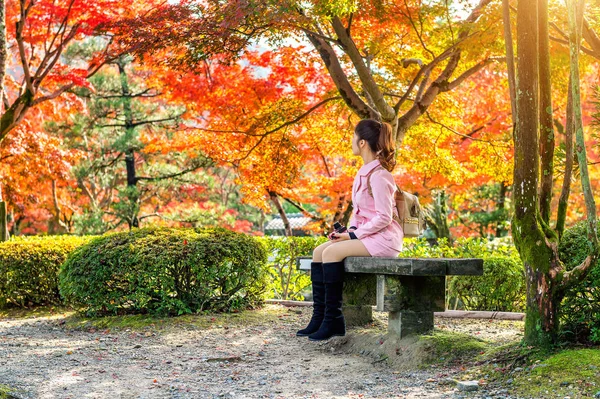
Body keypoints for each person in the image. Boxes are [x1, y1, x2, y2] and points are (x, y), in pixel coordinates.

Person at [297, 119, 404, 341]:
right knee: (319, 251)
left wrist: (353, 235)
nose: (352, 141)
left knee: (331, 252)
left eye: (354, 137)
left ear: (362, 142)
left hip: (384, 239)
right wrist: (348, 231)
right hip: (369, 235)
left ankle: (334, 320)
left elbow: (384, 218)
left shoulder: (381, 175)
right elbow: (358, 212)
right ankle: (319, 317)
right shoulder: (363, 173)